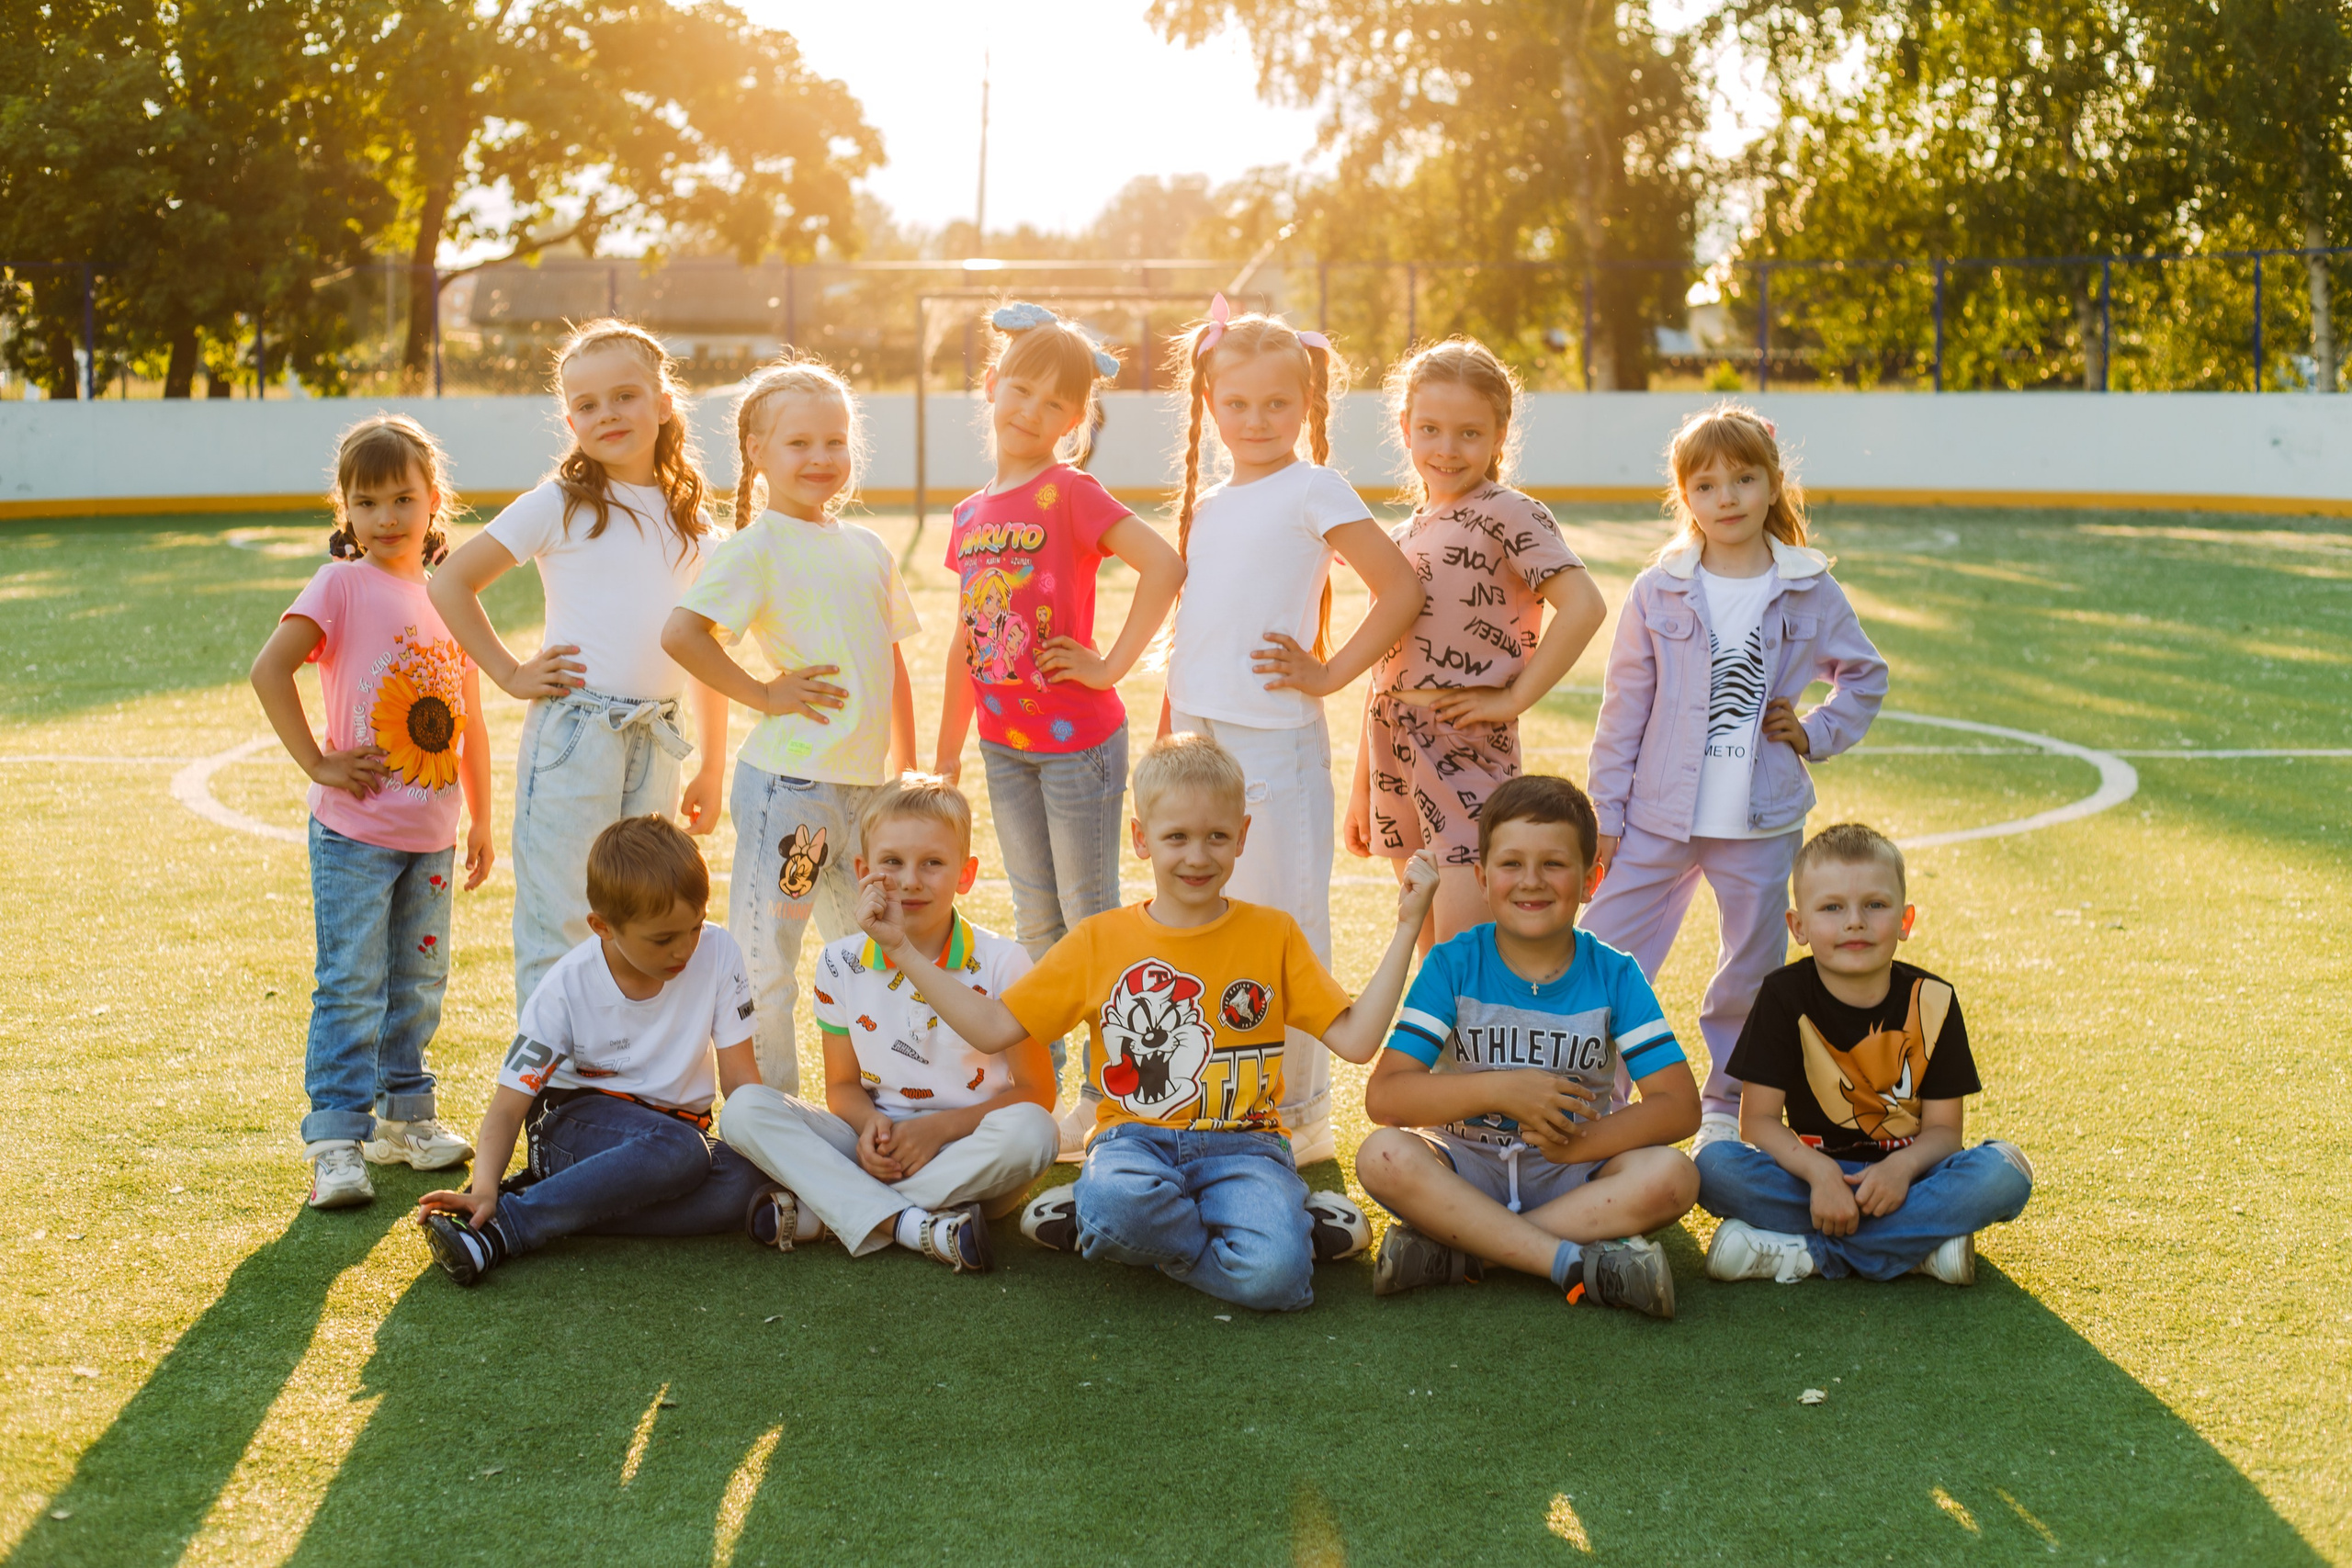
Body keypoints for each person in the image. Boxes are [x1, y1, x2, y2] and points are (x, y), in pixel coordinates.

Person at [855, 735, 1441, 1312]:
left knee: (1278, 1281)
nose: (1197, 855)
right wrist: (902, 951)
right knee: (1118, 1203)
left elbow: (1359, 1041)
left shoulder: (1274, 934)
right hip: (1132, 1144)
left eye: (1217, 836)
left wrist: (1409, 923)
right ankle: (1195, 1224)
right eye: (1176, 837)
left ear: (1242, 836)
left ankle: (1149, 1232)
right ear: (1141, 839)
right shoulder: (1098, 941)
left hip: (1246, 1148)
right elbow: (990, 1028)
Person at [1160, 293, 1427, 1167]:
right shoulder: (1210, 499)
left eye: (1278, 402)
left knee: (1286, 924)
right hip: (1198, 738)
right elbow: (1196, 624)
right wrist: (1173, 730)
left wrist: (1330, 672)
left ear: (1308, 405)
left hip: (1275, 739)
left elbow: (1400, 589)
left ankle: (1303, 1111)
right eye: (1236, 403)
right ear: (1209, 406)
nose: (1256, 420)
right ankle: (1222, 1082)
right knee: (1206, 915)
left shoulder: (1316, 485)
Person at [1580, 403, 1888, 1152]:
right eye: (1708, 483)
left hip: (1762, 819)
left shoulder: (1809, 588)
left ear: (1773, 483)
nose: (1728, 497)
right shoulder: (1659, 590)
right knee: (1602, 948)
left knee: (1751, 970)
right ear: (1684, 495)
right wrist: (1607, 816)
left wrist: (1813, 731)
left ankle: (1727, 1104)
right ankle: (1595, 1092)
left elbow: (1864, 676)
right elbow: (1624, 708)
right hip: (1658, 814)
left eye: (1744, 479)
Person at [933, 303, 1185, 1158]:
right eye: (1020, 390)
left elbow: (1164, 563)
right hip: (1005, 749)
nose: (1030, 411)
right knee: (1038, 924)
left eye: (1053, 404)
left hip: (1079, 745)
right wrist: (943, 757)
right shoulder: (970, 514)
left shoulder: (1069, 493)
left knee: (1090, 919)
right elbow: (968, 643)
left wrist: (1111, 665)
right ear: (992, 386)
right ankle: (1044, 1091)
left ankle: (1108, 1094)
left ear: (1076, 422)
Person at [429, 319, 729, 1017]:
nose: (607, 415)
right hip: (575, 737)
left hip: (658, 739)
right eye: (587, 405)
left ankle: (626, 1080)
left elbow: (704, 649)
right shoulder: (560, 504)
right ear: (569, 419)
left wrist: (711, 764)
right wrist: (509, 672)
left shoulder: (695, 526)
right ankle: (553, 1096)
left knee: (646, 915)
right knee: (560, 918)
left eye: (625, 396)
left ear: (663, 403)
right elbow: (450, 582)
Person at [250, 415, 492, 1209]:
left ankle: (404, 1118)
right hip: (354, 833)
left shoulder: (449, 596)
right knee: (353, 980)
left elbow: (473, 719)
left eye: (402, 498)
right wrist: (318, 761)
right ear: (344, 510)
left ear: (434, 502)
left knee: (419, 979)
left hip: (432, 835)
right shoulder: (340, 585)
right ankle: (337, 1139)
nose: (386, 516)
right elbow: (270, 669)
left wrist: (481, 818)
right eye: (367, 501)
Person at [659, 356, 919, 1089]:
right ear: (757, 454)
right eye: (799, 443)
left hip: (867, 798)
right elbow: (683, 634)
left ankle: (880, 1100)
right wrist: (766, 695)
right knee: (767, 959)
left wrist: (908, 763)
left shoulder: (868, 547)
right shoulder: (757, 548)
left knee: (870, 952)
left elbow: (889, 659)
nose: (821, 458)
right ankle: (770, 1119)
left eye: (834, 442)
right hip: (793, 792)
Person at [1356, 774, 1696, 1317]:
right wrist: (1503, 1089)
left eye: (1554, 865)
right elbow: (1387, 1097)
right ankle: (1571, 1264)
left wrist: (1581, 1144)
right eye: (1511, 864)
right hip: (1465, 1168)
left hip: (1574, 1177)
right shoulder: (1453, 964)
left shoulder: (1615, 975)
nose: (1531, 881)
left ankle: (1468, 1251)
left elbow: (1680, 1105)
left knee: (1675, 1177)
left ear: (1591, 880)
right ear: (1481, 878)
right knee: (1382, 1156)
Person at [718, 776, 1059, 1272]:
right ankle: (908, 1222)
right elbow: (841, 1086)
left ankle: (835, 1212)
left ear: (965, 874)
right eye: (893, 863)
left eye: (933, 864)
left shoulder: (1003, 961)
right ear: (863, 870)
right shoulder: (838, 963)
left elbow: (1036, 1093)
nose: (911, 880)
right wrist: (868, 1125)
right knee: (744, 1109)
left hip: (972, 1150)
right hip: (874, 1148)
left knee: (1035, 1132)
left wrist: (939, 1129)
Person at [416, 815, 773, 1284]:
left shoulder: (720, 953)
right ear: (602, 926)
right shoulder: (565, 987)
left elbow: (742, 1083)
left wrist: (780, 1155)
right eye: (663, 938)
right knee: (682, 1150)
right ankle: (506, 1226)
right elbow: (507, 1108)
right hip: (570, 1127)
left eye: (696, 927)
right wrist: (483, 1188)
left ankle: (561, 1204)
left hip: (676, 1142)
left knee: (744, 1182)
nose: (684, 949)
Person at [1344, 339, 1608, 951]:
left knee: (1465, 948)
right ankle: (1437, 1053)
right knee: (1425, 946)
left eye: (1468, 432)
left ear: (1499, 434)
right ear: (1405, 428)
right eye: (1430, 428)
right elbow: (1382, 668)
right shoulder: (1401, 534)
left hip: (1465, 741)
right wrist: (1363, 785)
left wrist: (1512, 698)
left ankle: (1481, 1050)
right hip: (1392, 745)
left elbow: (1586, 606)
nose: (1446, 448)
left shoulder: (1511, 513)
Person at [1694, 822, 2033, 1285]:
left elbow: (1944, 1133)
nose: (1855, 921)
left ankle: (1809, 1253)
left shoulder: (1933, 1000)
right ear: (1799, 927)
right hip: (1807, 1177)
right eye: (1832, 907)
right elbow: (1756, 1122)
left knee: (2005, 1173)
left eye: (1875, 905)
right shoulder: (1782, 996)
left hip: (1909, 1181)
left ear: (1904, 921)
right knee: (1713, 1168)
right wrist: (1820, 1175)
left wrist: (1900, 1169)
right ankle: (1914, 1249)